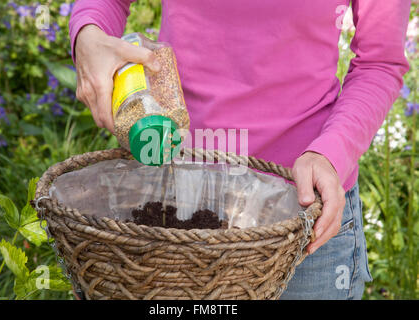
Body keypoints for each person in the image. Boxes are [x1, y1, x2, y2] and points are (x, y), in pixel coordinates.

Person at [69, 0, 411, 299]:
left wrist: (331, 153)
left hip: (301, 216)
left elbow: (379, 62)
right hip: (178, 201)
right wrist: (88, 36)